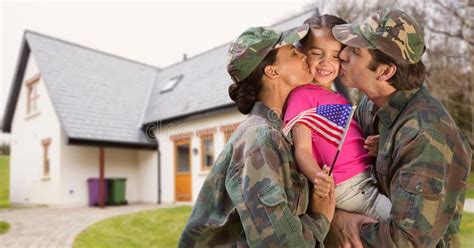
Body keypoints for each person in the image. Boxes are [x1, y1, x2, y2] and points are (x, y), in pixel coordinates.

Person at [178, 24, 336, 247]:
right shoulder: (260, 138)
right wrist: (322, 218)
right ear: (272, 71)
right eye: (293, 52)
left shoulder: (285, 131)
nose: (303, 54)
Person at [327, 7, 472, 247]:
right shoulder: (370, 106)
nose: (342, 54)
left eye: (355, 51)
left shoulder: (424, 133)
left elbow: (406, 241)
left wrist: (334, 223)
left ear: (384, 71)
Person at [283, 14, 392, 222]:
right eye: (317, 53)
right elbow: (302, 149)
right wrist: (317, 177)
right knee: (400, 223)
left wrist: (370, 146)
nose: (326, 63)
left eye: (335, 55)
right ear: (302, 54)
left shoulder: (336, 97)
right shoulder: (301, 96)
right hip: (348, 185)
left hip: (365, 178)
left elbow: (347, 140)